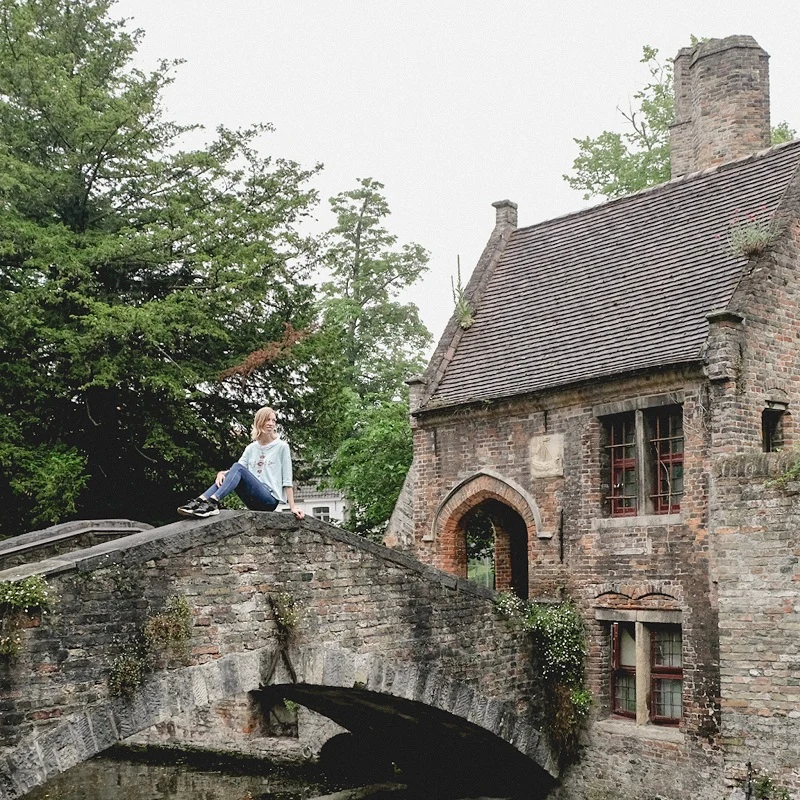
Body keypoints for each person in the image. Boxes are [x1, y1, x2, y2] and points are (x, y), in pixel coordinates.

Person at [177, 407, 305, 520]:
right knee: (233, 470)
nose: (271, 423)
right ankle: (200, 500)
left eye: (273, 420)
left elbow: (287, 479)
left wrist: (292, 507)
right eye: (268, 420)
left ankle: (212, 501)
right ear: (259, 421)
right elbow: (236, 472)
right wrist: (222, 473)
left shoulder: (281, 446)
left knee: (237, 468)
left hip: (269, 501)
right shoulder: (251, 448)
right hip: (251, 500)